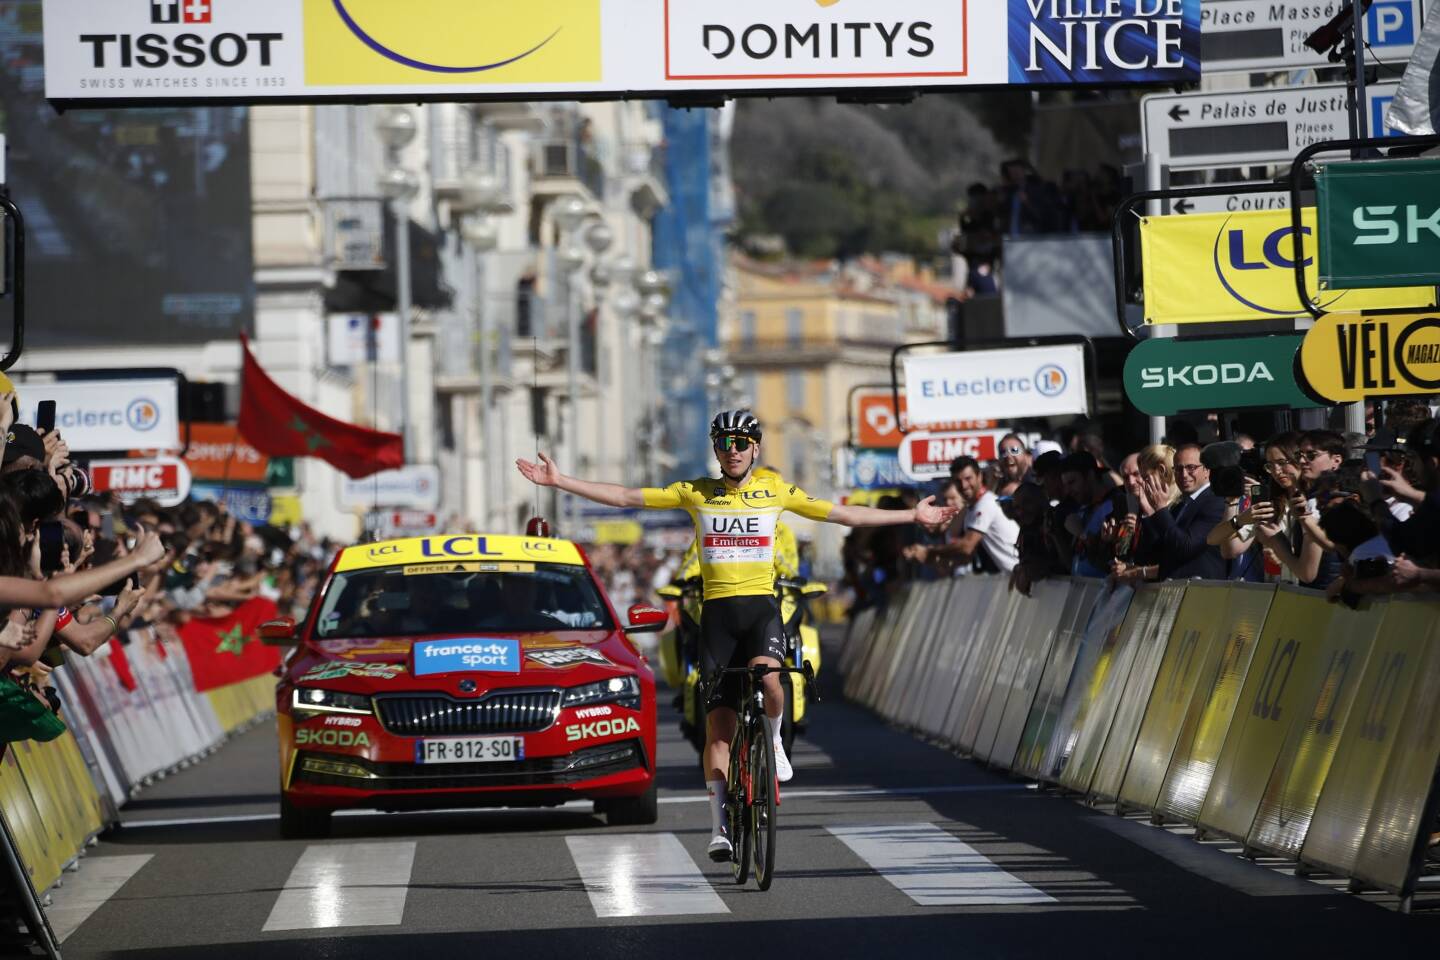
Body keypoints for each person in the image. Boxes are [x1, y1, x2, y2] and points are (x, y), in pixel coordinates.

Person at [516, 410, 957, 862]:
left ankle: (776, 742)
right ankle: (720, 827)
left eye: (741, 442)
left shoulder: (775, 491)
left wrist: (912, 514)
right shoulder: (696, 493)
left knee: (770, 680)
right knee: (719, 730)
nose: (732, 450)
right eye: (724, 442)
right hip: (718, 618)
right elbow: (627, 495)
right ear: (716, 449)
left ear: (755, 448)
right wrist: (561, 481)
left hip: (761, 611)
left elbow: (844, 514)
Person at [1134, 443, 1226, 581]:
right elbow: (1154, 555)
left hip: (1201, 592)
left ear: (1206, 469)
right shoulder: (1182, 505)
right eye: (1178, 469)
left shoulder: (1215, 502)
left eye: (1191, 468)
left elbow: (1185, 547)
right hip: (1175, 592)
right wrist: (1149, 513)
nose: (1183, 474)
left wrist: (1160, 509)